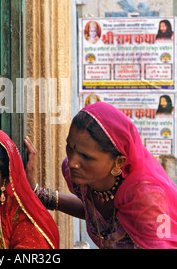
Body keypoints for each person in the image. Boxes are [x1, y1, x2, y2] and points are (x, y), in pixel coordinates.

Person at [26, 102, 177, 249]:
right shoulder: (80, 177)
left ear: (119, 162)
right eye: (70, 148)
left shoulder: (147, 200)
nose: (72, 162)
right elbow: (95, 213)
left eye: (86, 157)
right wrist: (38, 193)